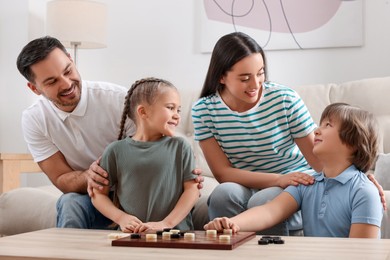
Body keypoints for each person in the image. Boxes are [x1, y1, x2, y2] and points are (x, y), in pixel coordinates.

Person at [191, 31, 385, 235]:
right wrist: (274, 181)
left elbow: (323, 161)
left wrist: (362, 176)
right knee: (223, 194)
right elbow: (223, 173)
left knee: (263, 200)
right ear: (221, 76)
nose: (256, 84)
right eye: (245, 78)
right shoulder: (204, 110)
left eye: (260, 73)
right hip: (246, 182)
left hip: (293, 180)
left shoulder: (284, 99)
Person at [16, 36, 203, 229]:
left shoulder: (118, 100)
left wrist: (185, 170)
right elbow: (61, 178)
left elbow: (157, 146)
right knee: (70, 202)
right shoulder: (34, 119)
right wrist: (91, 176)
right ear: (34, 88)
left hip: (133, 196)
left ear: (71, 60)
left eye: (68, 71)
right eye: (52, 81)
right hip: (97, 198)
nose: (66, 84)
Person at [204, 103, 383, 238]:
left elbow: (362, 252)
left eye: (328, 125)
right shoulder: (307, 183)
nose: (316, 130)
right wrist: (231, 223)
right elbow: (269, 211)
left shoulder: (364, 192)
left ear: (353, 142)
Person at [91, 77, 199, 232]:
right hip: (131, 236)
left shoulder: (181, 147)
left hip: (175, 234)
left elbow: (192, 190)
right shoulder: (115, 151)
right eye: (170, 108)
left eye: (178, 110)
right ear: (143, 112)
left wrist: (166, 224)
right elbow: (98, 195)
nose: (176, 115)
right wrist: (121, 218)